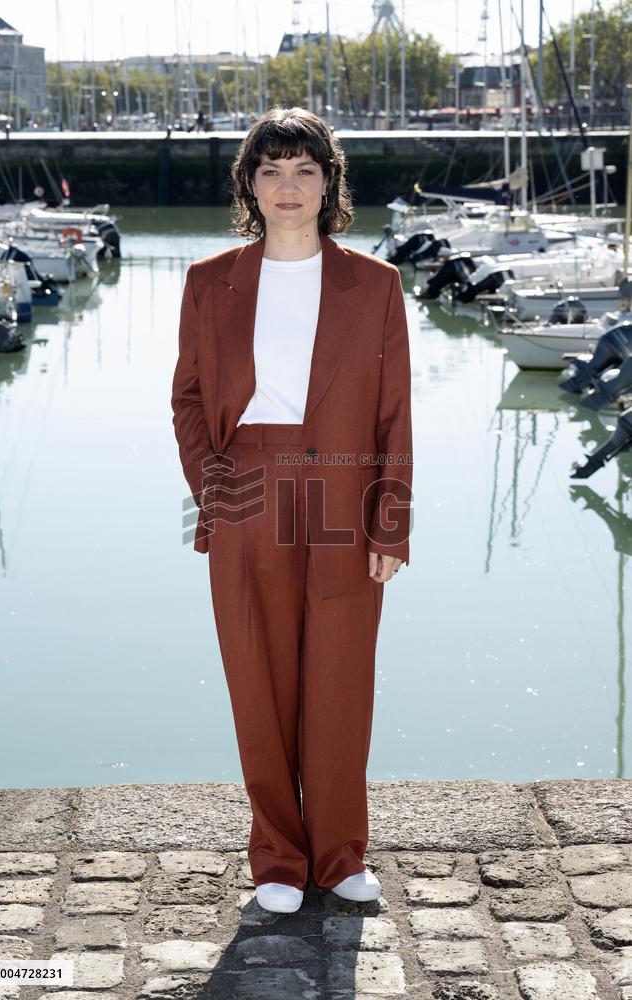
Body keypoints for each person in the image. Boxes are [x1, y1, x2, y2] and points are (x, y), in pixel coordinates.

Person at [171, 106, 413, 914]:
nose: (287, 185)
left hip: (344, 489)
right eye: (270, 169)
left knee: (341, 679)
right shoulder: (210, 282)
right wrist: (214, 492)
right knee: (259, 679)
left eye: (304, 169)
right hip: (247, 493)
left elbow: (394, 417)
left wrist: (390, 524)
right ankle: (277, 857)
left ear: (328, 183)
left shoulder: (376, 284)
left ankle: (340, 853)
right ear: (248, 183)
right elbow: (191, 400)